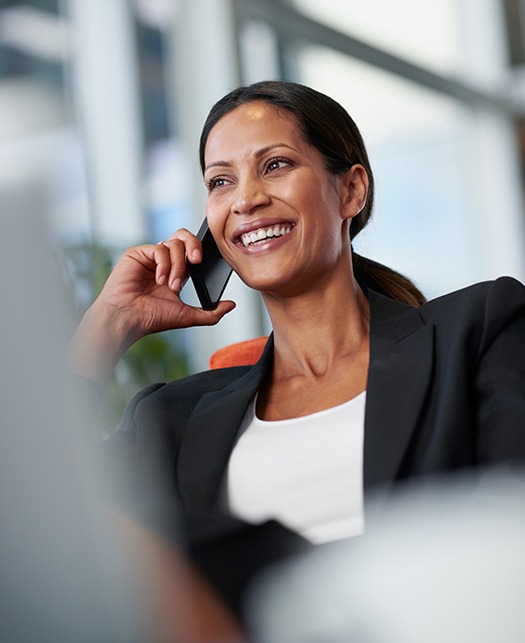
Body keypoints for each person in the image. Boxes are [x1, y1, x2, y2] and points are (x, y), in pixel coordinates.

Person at [70, 80, 525, 621]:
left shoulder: (476, 329)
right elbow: (36, 521)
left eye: (276, 165)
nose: (245, 199)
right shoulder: (171, 420)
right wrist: (105, 328)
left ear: (351, 191)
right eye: (221, 181)